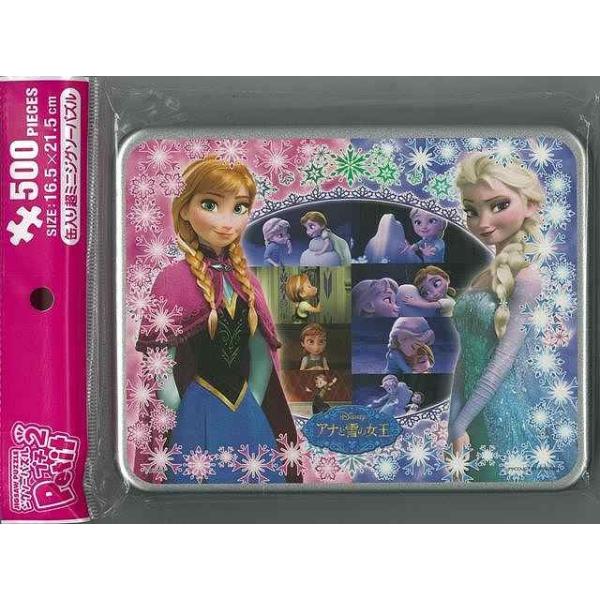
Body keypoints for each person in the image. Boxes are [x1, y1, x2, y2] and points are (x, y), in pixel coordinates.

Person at [136, 156, 302, 484]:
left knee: (258, 484)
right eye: (210, 205)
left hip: (245, 409)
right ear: (185, 209)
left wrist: (253, 400)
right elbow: (159, 357)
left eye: (239, 208)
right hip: (196, 408)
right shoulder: (172, 279)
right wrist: (177, 406)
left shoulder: (246, 281)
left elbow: (261, 352)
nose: (227, 221)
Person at [447, 152, 572, 481]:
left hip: (503, 412)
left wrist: (460, 421)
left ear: (530, 205)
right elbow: (465, 356)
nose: (482, 223)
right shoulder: (481, 278)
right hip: (470, 411)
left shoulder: (526, 279)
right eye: (472, 211)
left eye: (499, 205)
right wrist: (454, 420)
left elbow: (502, 363)